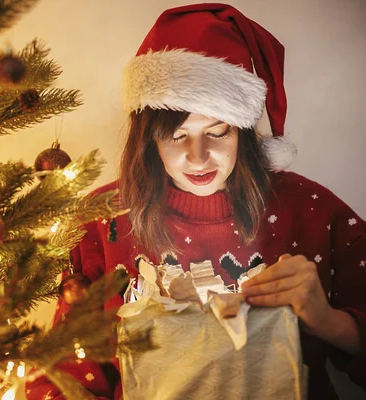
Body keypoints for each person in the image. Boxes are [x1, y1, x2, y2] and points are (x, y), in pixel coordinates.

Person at [29, 3, 366, 400]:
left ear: (244, 132)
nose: (199, 156)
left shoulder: (310, 210)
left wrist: (328, 321)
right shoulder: (104, 219)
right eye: (176, 135)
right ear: (149, 140)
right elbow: (64, 373)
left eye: (218, 131)